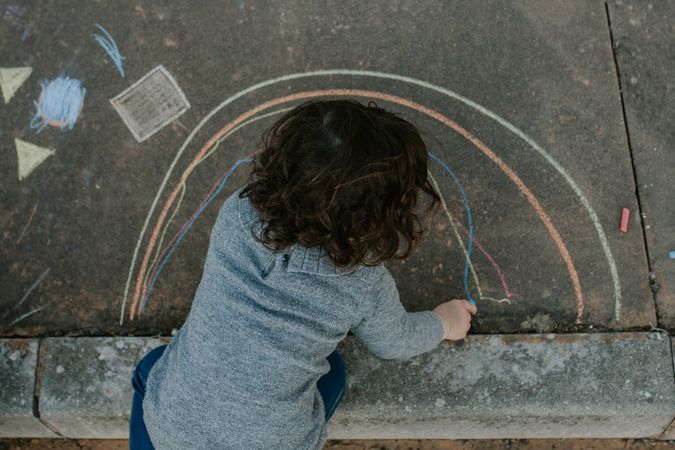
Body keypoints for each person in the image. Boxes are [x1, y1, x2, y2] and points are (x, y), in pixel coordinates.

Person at [129, 99, 478, 449]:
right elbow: (393, 342)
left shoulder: (238, 213)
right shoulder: (361, 280)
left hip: (170, 429)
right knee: (335, 369)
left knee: (153, 369)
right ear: (380, 216)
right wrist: (443, 323)